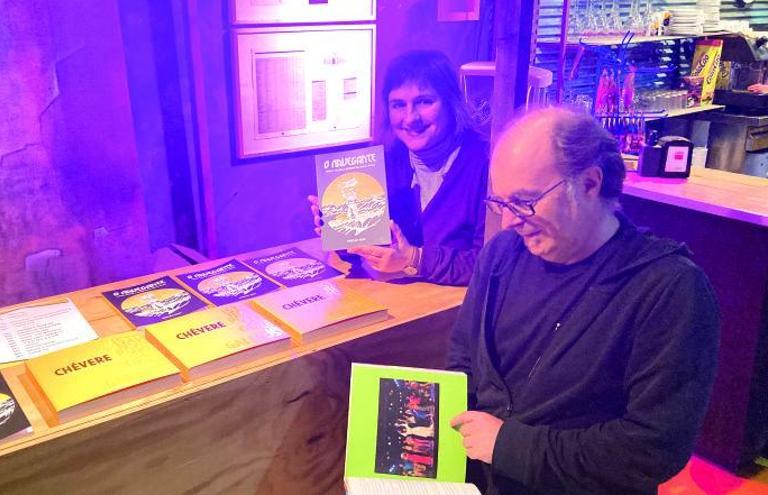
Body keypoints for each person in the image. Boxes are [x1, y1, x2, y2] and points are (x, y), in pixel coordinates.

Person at [447, 108, 720, 495]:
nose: (509, 221)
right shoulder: (501, 255)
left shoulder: (669, 289)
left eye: (524, 202)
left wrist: (510, 446)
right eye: (501, 203)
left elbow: (653, 448)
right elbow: (463, 360)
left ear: (590, 184)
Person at [308, 50, 489, 285]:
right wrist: (344, 237)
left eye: (424, 102)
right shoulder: (387, 163)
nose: (410, 118)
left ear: (451, 103)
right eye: (398, 105)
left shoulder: (486, 165)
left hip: (456, 311)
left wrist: (415, 259)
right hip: (398, 304)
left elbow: (490, 265)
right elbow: (376, 248)